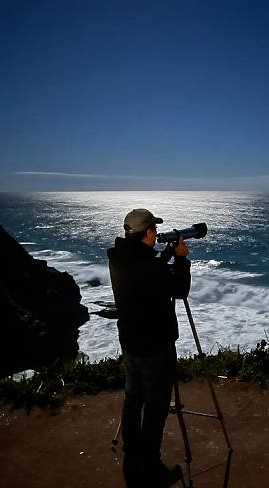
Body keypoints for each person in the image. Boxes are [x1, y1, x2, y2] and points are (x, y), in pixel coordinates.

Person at [107, 208, 191, 488]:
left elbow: (145, 273)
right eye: (153, 229)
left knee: (133, 401)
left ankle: (132, 455)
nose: (156, 233)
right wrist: (181, 260)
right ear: (147, 234)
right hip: (156, 347)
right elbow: (179, 290)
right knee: (155, 411)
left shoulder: (119, 258)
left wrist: (163, 255)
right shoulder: (150, 268)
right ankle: (152, 468)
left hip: (131, 343)